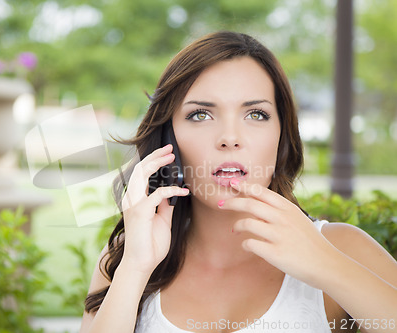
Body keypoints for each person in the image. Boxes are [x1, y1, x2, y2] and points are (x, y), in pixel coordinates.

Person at [79, 31, 397, 333]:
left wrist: (325, 264)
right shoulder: (127, 254)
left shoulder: (343, 248)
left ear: (282, 137)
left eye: (255, 114)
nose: (230, 138)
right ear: (168, 138)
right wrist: (135, 267)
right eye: (201, 115)